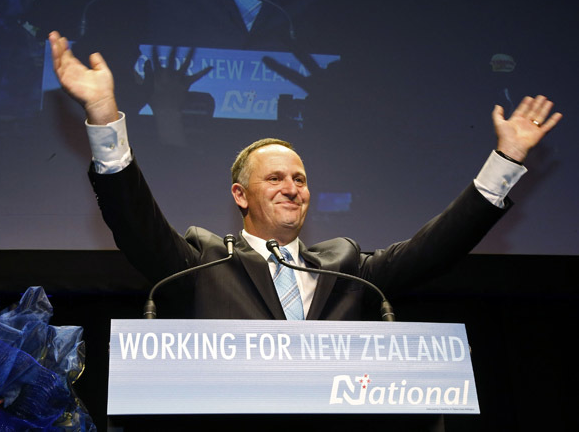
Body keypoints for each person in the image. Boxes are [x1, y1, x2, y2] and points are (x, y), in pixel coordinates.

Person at [48, 30, 562, 321]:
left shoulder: (345, 266)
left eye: (299, 178)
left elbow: (439, 246)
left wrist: (506, 162)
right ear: (240, 195)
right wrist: (103, 111)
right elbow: (133, 220)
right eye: (274, 179)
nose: (292, 187)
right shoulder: (201, 261)